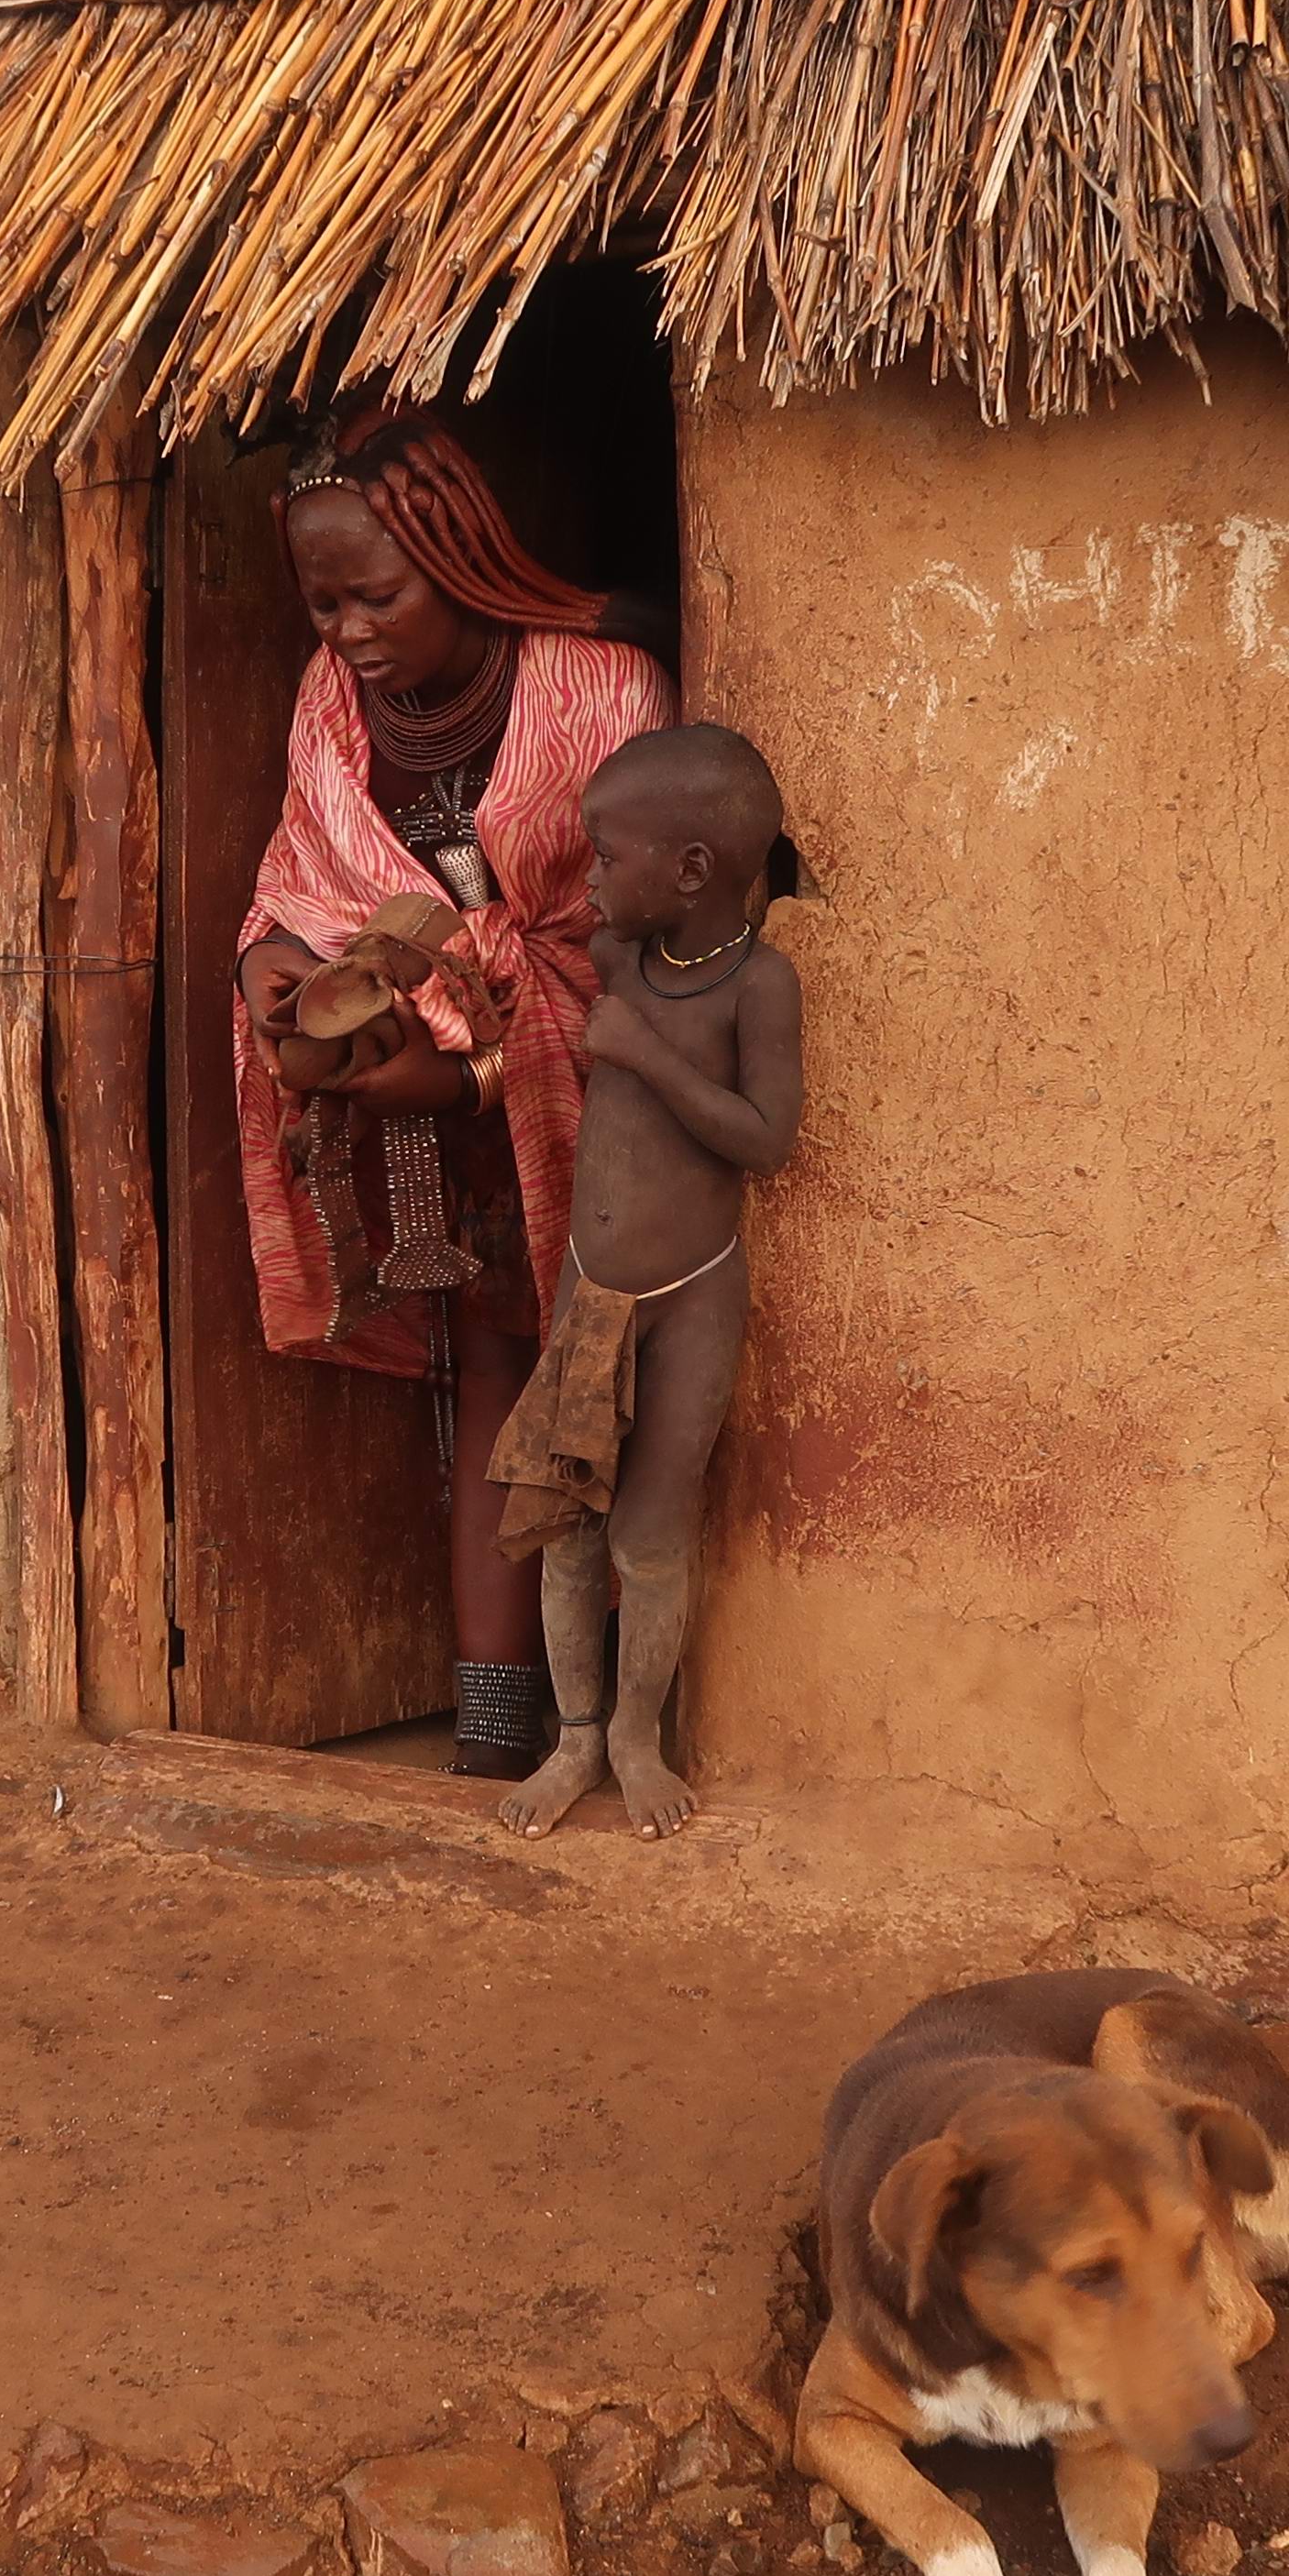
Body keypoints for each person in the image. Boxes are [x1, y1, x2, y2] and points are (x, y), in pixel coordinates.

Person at [234, 410, 675, 1775]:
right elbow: (302, 870)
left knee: (622, 1383)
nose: (351, 631)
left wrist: (492, 1053)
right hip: (434, 1106)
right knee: (493, 1363)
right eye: (324, 603)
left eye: (379, 594)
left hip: (595, 1081)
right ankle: (497, 1718)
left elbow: (637, 916)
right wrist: (278, 975)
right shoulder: (331, 698)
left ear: (459, 558)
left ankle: (631, 1718)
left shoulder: (603, 689)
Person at [485, 724, 803, 1838]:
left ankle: (637, 1737)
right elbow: (527, 925)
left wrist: (643, 1057)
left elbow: (766, 1139)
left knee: (648, 1534)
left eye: (608, 855)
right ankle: (577, 1741)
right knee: (569, 1521)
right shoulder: (620, 959)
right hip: (591, 1297)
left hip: (693, 1299)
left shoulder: (758, 988)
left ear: (693, 872)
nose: (592, 875)